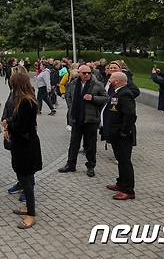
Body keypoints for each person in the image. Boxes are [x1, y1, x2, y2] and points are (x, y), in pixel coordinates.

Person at [3, 73, 42, 229]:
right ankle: (28, 207)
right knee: (23, 176)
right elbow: (18, 120)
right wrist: (9, 121)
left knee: (26, 180)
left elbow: (22, 126)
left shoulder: (26, 101)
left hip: (26, 146)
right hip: (22, 144)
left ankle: (31, 214)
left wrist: (8, 125)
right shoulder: (24, 99)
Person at [58, 65, 107, 177]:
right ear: (79, 73)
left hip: (91, 119)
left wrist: (93, 98)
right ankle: (70, 164)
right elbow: (68, 96)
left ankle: (90, 166)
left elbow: (105, 98)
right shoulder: (73, 83)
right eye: (84, 73)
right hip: (76, 118)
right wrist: (71, 107)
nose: (87, 75)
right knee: (74, 143)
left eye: (89, 73)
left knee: (90, 145)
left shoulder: (97, 84)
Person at [103, 71, 137, 200]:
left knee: (125, 161)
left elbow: (130, 115)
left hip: (122, 135)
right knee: (121, 160)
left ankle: (128, 190)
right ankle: (121, 183)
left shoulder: (125, 94)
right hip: (116, 134)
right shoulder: (117, 92)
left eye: (111, 78)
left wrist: (124, 131)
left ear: (117, 81)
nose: (109, 80)